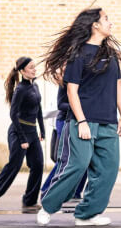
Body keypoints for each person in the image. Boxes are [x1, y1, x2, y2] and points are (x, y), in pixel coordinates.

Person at [37, 8, 121, 226]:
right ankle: (48, 205)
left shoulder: (111, 55)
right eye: (106, 19)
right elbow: (71, 90)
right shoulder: (78, 54)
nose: (110, 22)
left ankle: (86, 214)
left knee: (108, 169)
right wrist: (81, 121)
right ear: (95, 25)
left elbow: (118, 86)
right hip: (83, 121)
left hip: (108, 121)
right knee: (78, 165)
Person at [0, 57, 45, 213]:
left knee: (38, 165)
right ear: (22, 71)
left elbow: (38, 108)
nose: (34, 69)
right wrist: (22, 139)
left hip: (32, 132)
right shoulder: (20, 89)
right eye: (31, 67)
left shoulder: (35, 86)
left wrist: (42, 130)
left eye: (34, 66)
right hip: (19, 132)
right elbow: (13, 114)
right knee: (13, 167)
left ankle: (29, 201)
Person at [40, 69, 87, 202]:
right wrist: (78, 106)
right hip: (64, 121)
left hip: (82, 121)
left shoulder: (85, 83)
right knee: (65, 158)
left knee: (85, 159)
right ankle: (47, 189)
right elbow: (61, 105)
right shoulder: (65, 85)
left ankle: (76, 192)